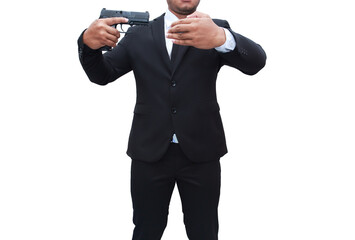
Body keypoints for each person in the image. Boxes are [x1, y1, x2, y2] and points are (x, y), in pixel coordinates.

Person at [78, 0, 266, 239]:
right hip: (149, 151)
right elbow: (103, 75)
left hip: (202, 152)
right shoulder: (138, 34)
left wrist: (222, 38)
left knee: (204, 232)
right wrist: (87, 44)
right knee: (146, 230)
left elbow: (256, 63)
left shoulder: (214, 28)